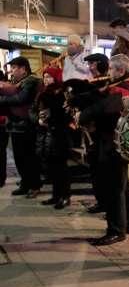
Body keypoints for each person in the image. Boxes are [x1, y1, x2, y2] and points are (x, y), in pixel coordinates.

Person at [78, 54, 129, 245]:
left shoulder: (121, 88)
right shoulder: (116, 87)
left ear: (120, 71)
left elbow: (102, 109)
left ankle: (116, 230)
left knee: (115, 187)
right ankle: (128, 224)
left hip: (113, 141)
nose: (108, 72)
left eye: (111, 69)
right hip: (114, 140)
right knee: (122, 186)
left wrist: (83, 115)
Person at [0, 56, 42, 197]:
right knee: (19, 157)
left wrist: (2, 100)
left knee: (29, 157)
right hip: (15, 125)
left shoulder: (31, 81)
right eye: (12, 68)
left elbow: (20, 99)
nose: (12, 71)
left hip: (27, 124)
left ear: (24, 69)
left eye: (15, 68)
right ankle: (25, 184)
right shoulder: (16, 82)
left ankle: (34, 185)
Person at [37, 67, 72, 209]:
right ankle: (56, 195)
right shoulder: (45, 93)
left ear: (56, 77)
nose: (46, 79)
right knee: (52, 167)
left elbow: (64, 114)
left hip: (61, 134)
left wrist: (49, 115)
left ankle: (65, 196)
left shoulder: (62, 93)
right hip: (49, 133)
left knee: (61, 167)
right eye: (44, 77)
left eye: (49, 77)